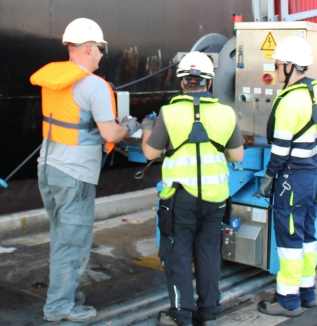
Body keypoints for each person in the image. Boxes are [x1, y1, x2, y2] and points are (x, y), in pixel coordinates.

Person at [30, 18, 141, 323]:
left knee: (61, 236)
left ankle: (64, 292)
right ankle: (59, 307)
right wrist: (128, 127)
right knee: (74, 242)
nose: (103, 55)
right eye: (101, 49)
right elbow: (110, 135)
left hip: (48, 168)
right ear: (90, 47)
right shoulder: (94, 86)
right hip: (75, 175)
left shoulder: (56, 80)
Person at [140, 51, 245, 326]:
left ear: (183, 82)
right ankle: (209, 310)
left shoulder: (169, 113)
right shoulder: (226, 113)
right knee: (209, 254)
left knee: (177, 256)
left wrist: (147, 128)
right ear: (209, 83)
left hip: (179, 202)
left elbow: (150, 153)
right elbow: (237, 156)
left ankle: (181, 316)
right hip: (216, 201)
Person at [257, 36, 317, 317]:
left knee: (288, 239)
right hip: (313, 175)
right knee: (308, 235)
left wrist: (268, 178)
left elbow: (280, 149)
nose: (275, 71)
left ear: (289, 66)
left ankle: (288, 300)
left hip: (292, 179)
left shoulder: (288, 103)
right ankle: (307, 292)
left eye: (277, 65)